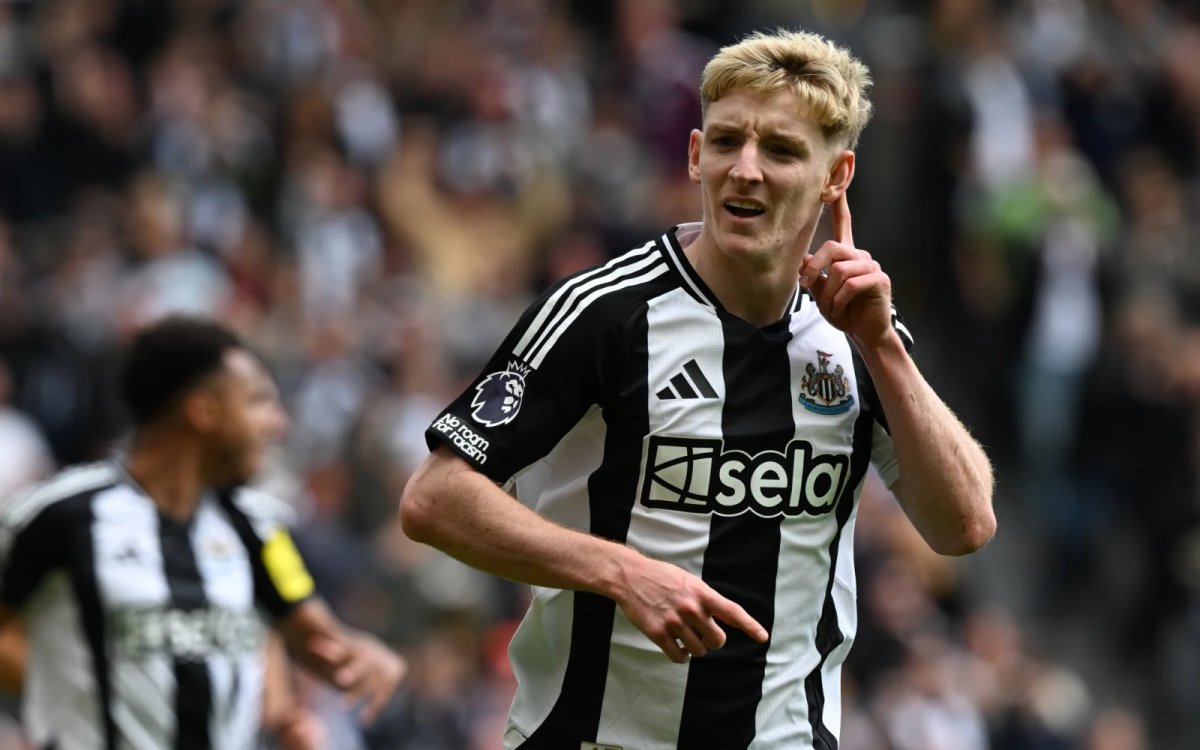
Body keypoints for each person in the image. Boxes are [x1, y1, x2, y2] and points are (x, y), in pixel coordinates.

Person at [401, 27, 995, 750]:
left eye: (780, 151)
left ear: (836, 176)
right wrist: (620, 571)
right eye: (726, 142)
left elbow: (964, 526)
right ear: (693, 155)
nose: (745, 170)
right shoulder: (605, 313)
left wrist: (884, 348)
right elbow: (434, 498)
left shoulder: (855, 329)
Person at [0, 315, 405, 750]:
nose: (277, 424)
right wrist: (75, 692)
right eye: (258, 402)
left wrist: (369, 659)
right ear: (202, 410)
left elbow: (320, 642)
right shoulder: (57, 514)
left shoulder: (259, 529)